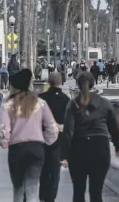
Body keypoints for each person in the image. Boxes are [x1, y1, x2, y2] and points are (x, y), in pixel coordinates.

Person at [60, 71, 119, 202]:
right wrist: (118, 145)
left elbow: (68, 131)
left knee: (78, 191)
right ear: (93, 84)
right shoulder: (105, 103)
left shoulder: (72, 104)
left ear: (77, 84)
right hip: (100, 148)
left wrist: (64, 155)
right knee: (96, 192)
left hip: (78, 149)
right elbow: (114, 127)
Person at [0, 69, 58, 202]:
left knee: (18, 188)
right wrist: (45, 141)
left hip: (17, 149)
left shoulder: (8, 105)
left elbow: (4, 130)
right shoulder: (40, 103)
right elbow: (52, 128)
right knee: (32, 188)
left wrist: (4, 143)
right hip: (36, 149)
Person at [38, 72, 70, 202]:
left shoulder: (41, 98)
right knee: (55, 171)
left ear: (48, 82)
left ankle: (43, 195)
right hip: (59, 140)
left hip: (42, 139)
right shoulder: (66, 99)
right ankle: (51, 197)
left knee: (43, 170)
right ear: (61, 82)